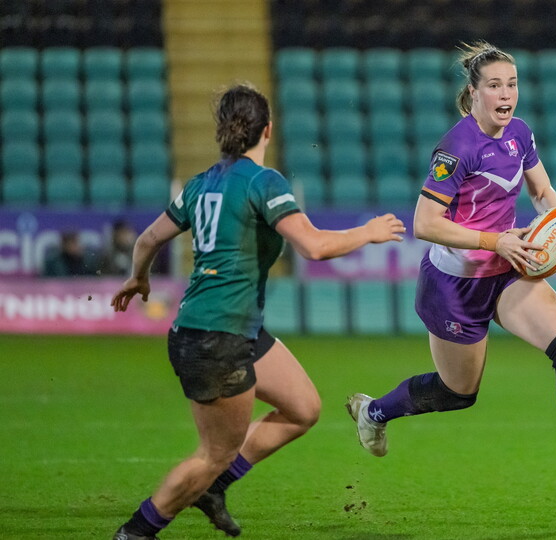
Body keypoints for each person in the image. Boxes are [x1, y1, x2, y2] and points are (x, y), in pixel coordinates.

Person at [110, 83, 405, 540]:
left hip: (226, 327)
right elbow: (313, 246)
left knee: (302, 408)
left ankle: (213, 490)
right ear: (268, 129)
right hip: (217, 337)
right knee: (214, 454)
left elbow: (148, 239)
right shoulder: (263, 182)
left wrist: (138, 277)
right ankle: (136, 531)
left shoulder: (200, 183)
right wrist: (367, 231)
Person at [345, 41, 556, 507]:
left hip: (505, 271)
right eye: (495, 85)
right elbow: (424, 224)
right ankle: (374, 412)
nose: (506, 94)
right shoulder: (456, 148)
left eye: (512, 84)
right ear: (474, 93)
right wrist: (494, 240)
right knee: (458, 393)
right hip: (453, 286)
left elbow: (542, 191)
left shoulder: (520, 133)